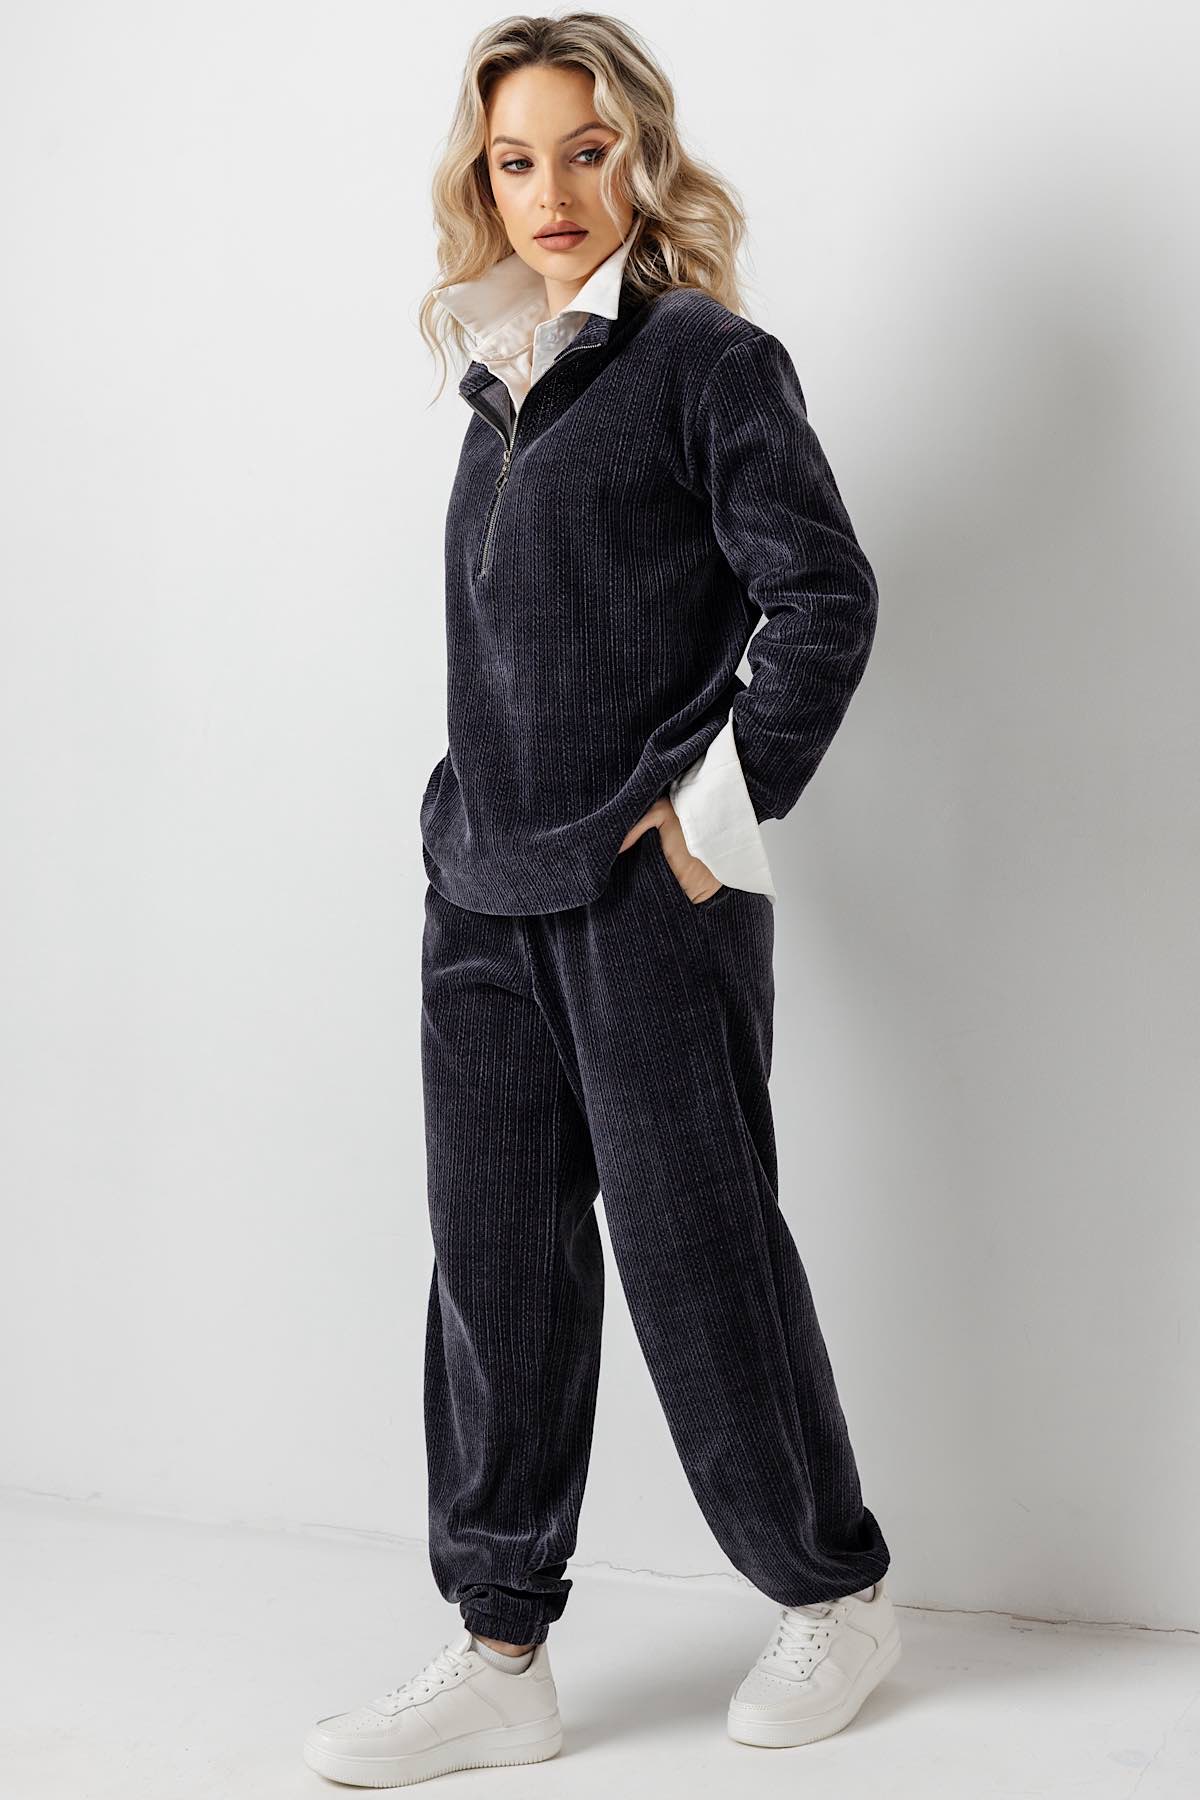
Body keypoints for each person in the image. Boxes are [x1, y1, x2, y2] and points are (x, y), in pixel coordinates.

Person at [304, 13, 900, 1786]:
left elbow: (826, 594)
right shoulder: (498, 370)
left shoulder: (707, 360)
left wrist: (715, 813)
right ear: (481, 180)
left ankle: (834, 1590)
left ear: (639, 152)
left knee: (698, 1255)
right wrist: (458, 826)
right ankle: (501, 1649)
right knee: (495, 1272)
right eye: (515, 159)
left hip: (646, 897)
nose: (551, 190)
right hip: (480, 893)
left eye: (584, 150)